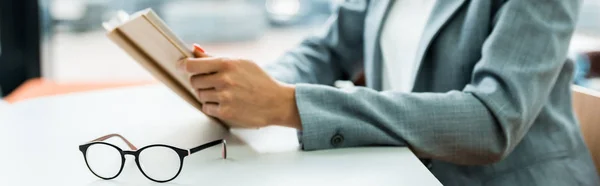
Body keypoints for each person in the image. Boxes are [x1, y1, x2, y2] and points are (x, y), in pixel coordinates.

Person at [178, 0, 600, 185]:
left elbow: (491, 121)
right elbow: (325, 50)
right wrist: (249, 87)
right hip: (405, 172)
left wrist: (288, 104)